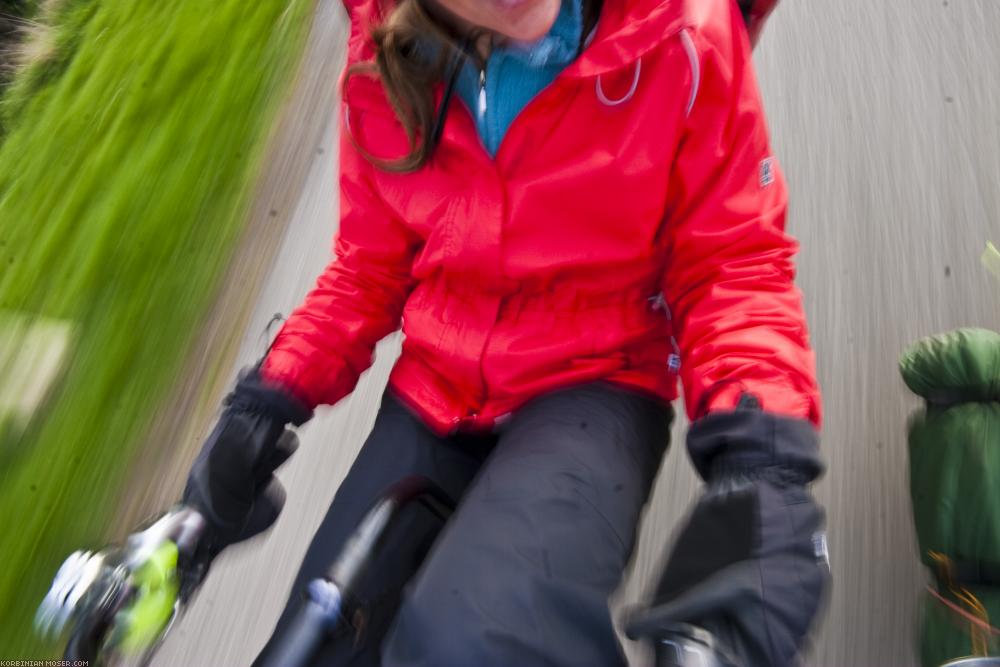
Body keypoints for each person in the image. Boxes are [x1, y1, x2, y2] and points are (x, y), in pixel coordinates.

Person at [181, 0, 829, 665]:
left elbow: (730, 261)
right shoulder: (383, 53)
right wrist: (265, 401)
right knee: (315, 646)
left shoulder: (681, 32)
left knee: (474, 642)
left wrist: (762, 457)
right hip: (435, 388)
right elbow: (367, 266)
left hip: (595, 377)